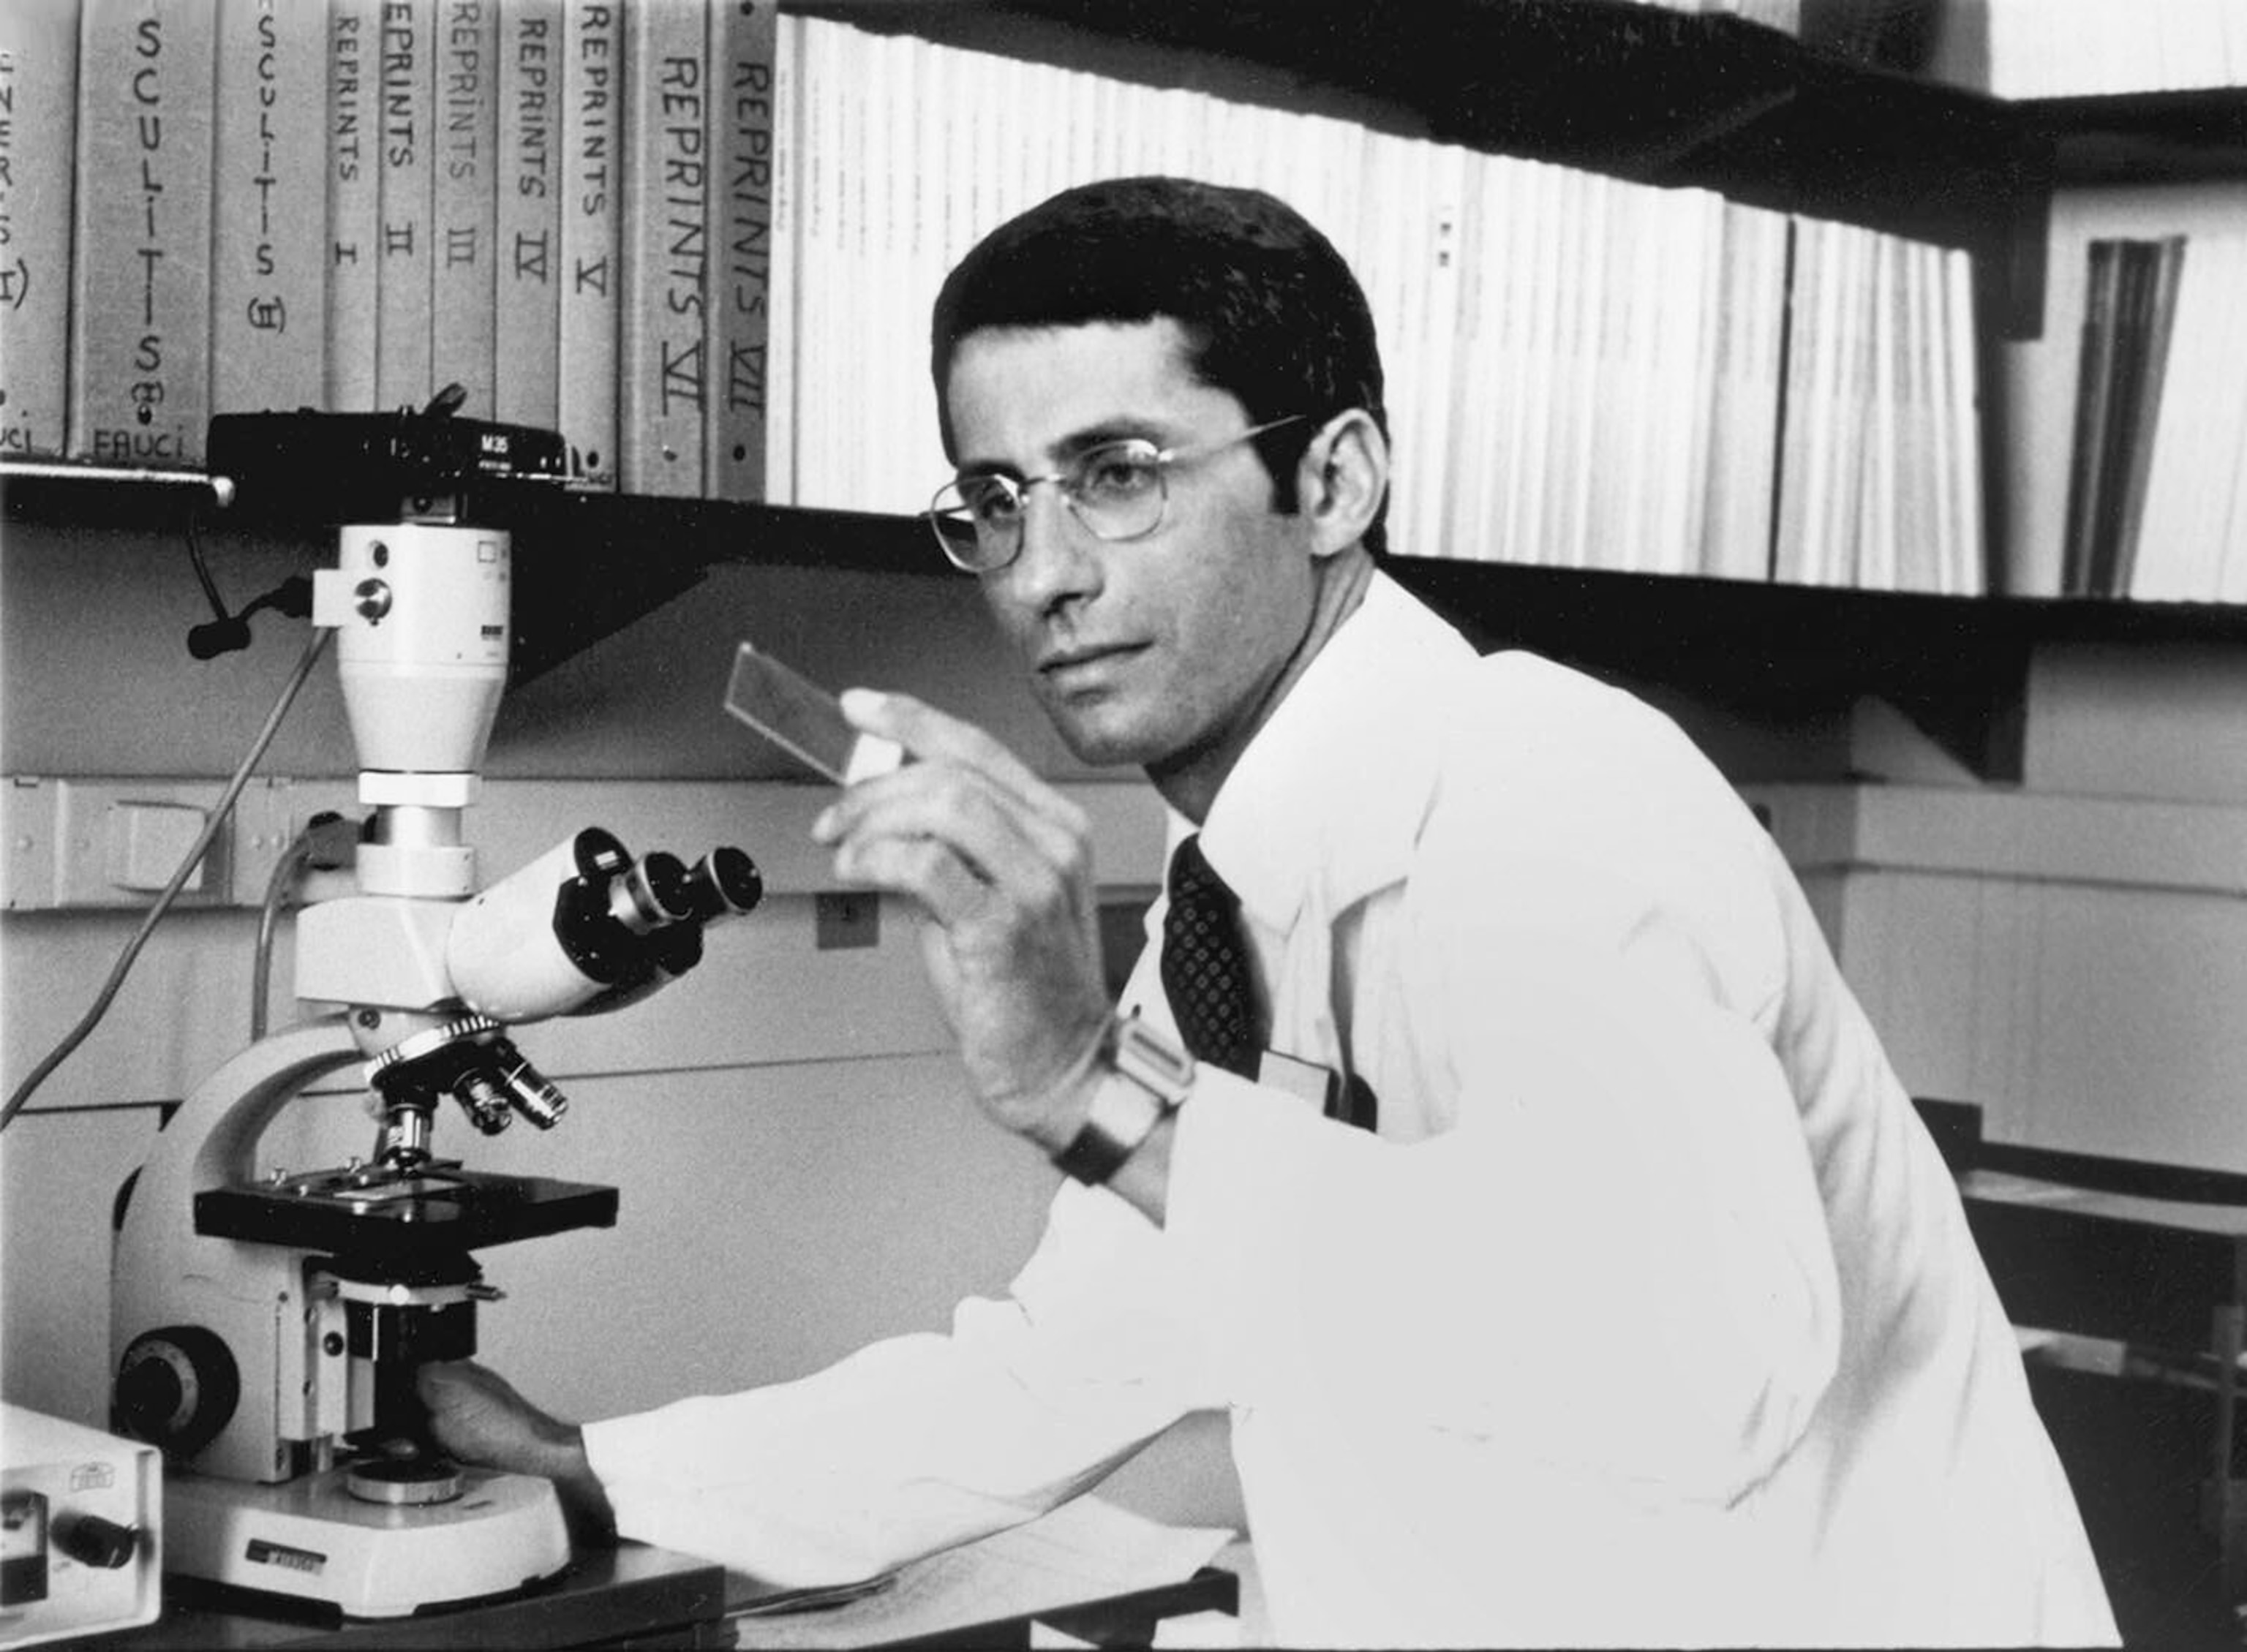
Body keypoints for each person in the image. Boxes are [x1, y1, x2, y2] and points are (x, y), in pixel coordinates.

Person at [421, 176, 2117, 1646]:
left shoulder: (1549, 807)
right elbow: (1076, 1357)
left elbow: (1697, 1377)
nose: (1042, 572)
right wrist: (601, 1472)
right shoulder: (1231, 907)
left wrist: (1091, 1082)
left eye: (1120, 471)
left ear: (1335, 483)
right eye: (996, 497)